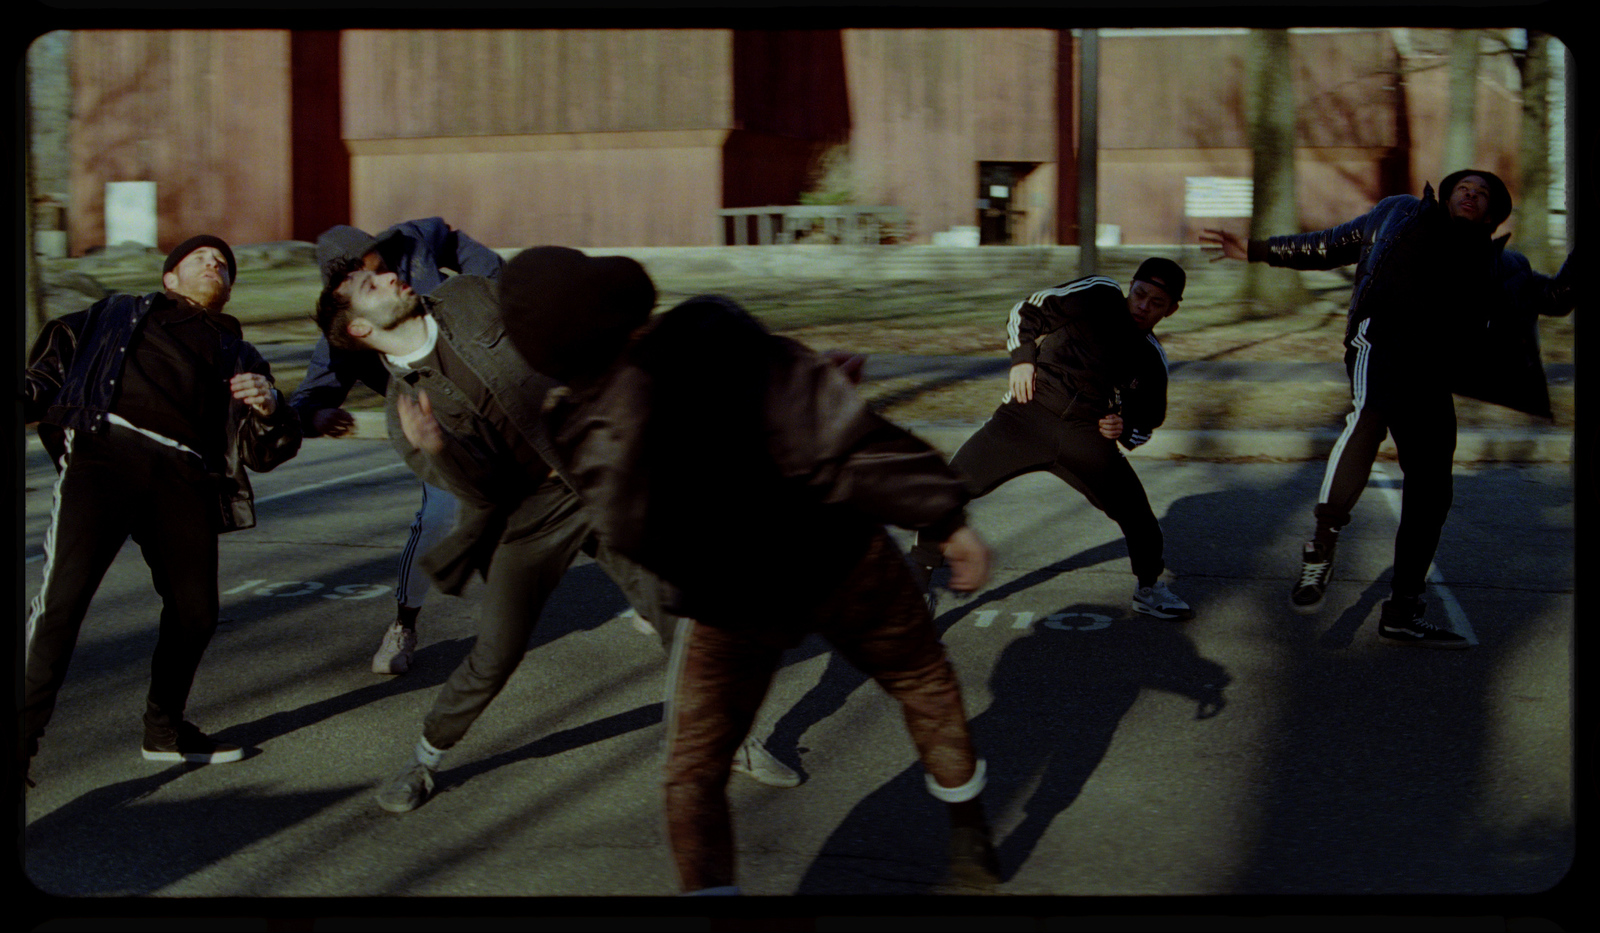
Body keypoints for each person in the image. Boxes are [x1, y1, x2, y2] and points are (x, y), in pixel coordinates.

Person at [493, 245, 1003, 895]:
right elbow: (845, 445)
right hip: (842, 554)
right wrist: (945, 515)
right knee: (924, 682)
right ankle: (970, 834)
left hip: (732, 600)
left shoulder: (577, 427)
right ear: (617, 299)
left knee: (692, 772)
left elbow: (638, 533)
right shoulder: (714, 334)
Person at [313, 258, 798, 814]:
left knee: (675, 611)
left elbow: (554, 325)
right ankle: (424, 759)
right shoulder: (407, 418)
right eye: (370, 286)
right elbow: (480, 494)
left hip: (592, 476)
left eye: (383, 271)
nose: (391, 277)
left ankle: (731, 741)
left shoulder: (468, 296)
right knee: (495, 654)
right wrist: (440, 450)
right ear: (359, 328)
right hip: (525, 521)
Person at [1201, 169, 1575, 647]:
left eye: (1483, 194)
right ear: (1447, 193)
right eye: (1465, 186)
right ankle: (1322, 545)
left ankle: (1402, 611)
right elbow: (1329, 244)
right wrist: (1256, 250)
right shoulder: (1399, 212)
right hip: (1380, 340)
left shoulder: (1502, 265)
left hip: (1431, 370)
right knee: (1369, 416)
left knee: (1433, 488)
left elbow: (1556, 299)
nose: (1471, 193)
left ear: (1491, 216)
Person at [22, 235, 303, 783]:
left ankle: (165, 732)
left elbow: (266, 452)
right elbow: (46, 374)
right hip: (107, 449)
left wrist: (270, 407)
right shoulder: (117, 312)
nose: (214, 264)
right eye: (200, 258)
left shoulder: (239, 354)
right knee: (64, 600)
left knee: (196, 612)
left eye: (223, 264)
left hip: (184, 474)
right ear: (169, 277)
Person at [908, 258, 1195, 622]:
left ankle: (1149, 589)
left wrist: (1123, 427)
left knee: (1138, 515)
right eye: (1140, 294)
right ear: (1130, 286)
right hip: (1025, 417)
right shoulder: (1099, 294)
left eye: (1157, 302)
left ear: (1171, 310)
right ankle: (918, 588)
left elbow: (1149, 417)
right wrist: (1022, 359)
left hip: (1084, 437)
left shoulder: (1150, 356)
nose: (1143, 306)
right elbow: (1026, 310)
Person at [289, 218, 503, 675]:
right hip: (440, 424)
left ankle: (647, 592)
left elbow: (453, 237)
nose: (385, 274)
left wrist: (486, 275)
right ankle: (404, 625)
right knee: (439, 516)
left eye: (377, 262)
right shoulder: (352, 320)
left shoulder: (413, 242)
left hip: (494, 392)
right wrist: (316, 414)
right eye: (363, 276)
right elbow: (311, 392)